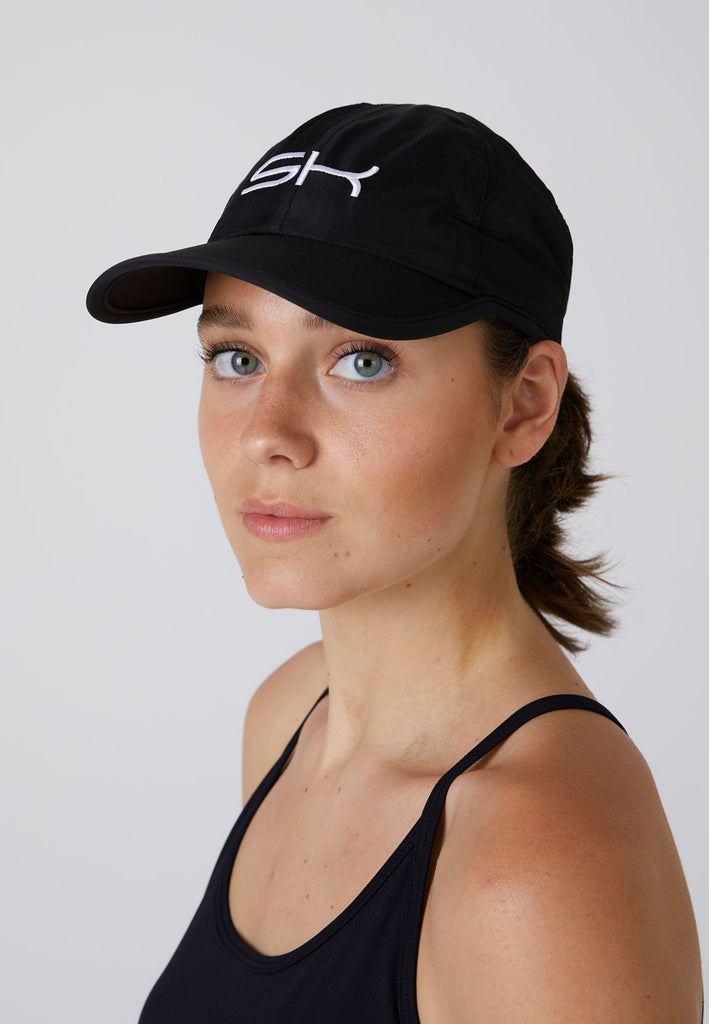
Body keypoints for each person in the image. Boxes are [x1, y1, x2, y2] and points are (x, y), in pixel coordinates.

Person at [86, 103, 703, 1022]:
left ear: (523, 405)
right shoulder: (293, 714)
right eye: (237, 357)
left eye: (362, 361)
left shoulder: (533, 861)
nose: (266, 435)